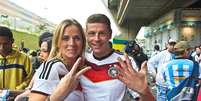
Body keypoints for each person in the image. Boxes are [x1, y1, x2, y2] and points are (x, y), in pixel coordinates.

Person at [49, 14, 155, 101]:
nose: (96, 39)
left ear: (110, 35)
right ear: (86, 35)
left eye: (102, 33)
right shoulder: (78, 59)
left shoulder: (125, 62)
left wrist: (144, 91)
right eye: (91, 33)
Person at [28, 19, 90, 101]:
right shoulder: (52, 66)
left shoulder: (85, 66)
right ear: (57, 42)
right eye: (65, 38)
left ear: (83, 42)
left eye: (77, 38)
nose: (72, 43)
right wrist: (59, 95)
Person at [14, 32, 53, 101]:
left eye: (44, 51)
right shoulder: (43, 67)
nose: (40, 55)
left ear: (54, 51)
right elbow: (30, 90)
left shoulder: (53, 71)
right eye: (40, 51)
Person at [0, 26, 33, 90]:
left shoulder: (24, 59)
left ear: (12, 41)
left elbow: (30, 79)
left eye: (5, 44)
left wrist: (15, 92)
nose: (2, 48)